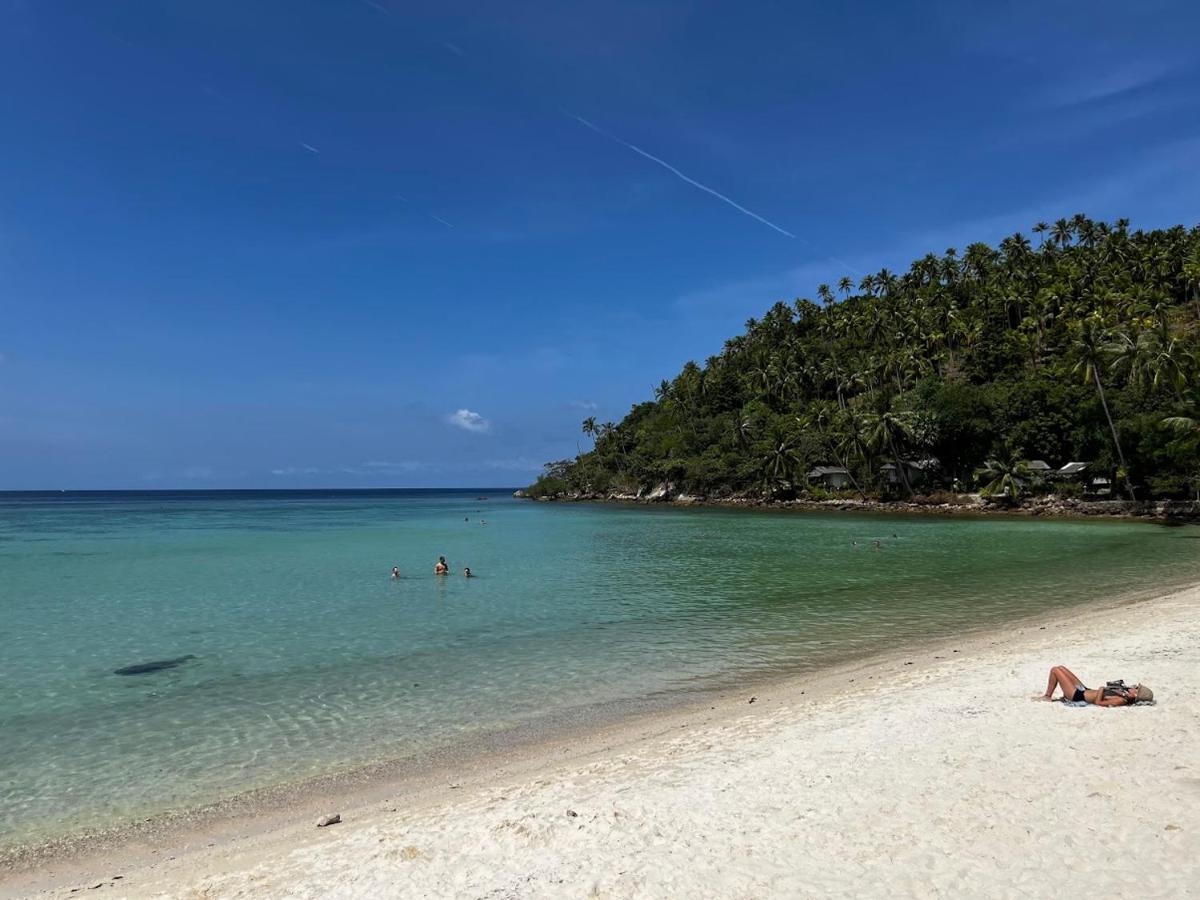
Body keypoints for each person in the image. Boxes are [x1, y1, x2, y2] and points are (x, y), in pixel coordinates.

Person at [1037, 665, 1153, 705]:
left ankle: (1048, 696)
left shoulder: (1120, 700)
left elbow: (1099, 703)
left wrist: (1102, 689)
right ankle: (1051, 694)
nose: (1134, 687)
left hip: (1077, 695)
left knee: (1055, 670)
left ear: (1136, 695)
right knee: (1061, 668)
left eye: (1136, 689)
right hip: (1085, 690)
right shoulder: (1124, 694)